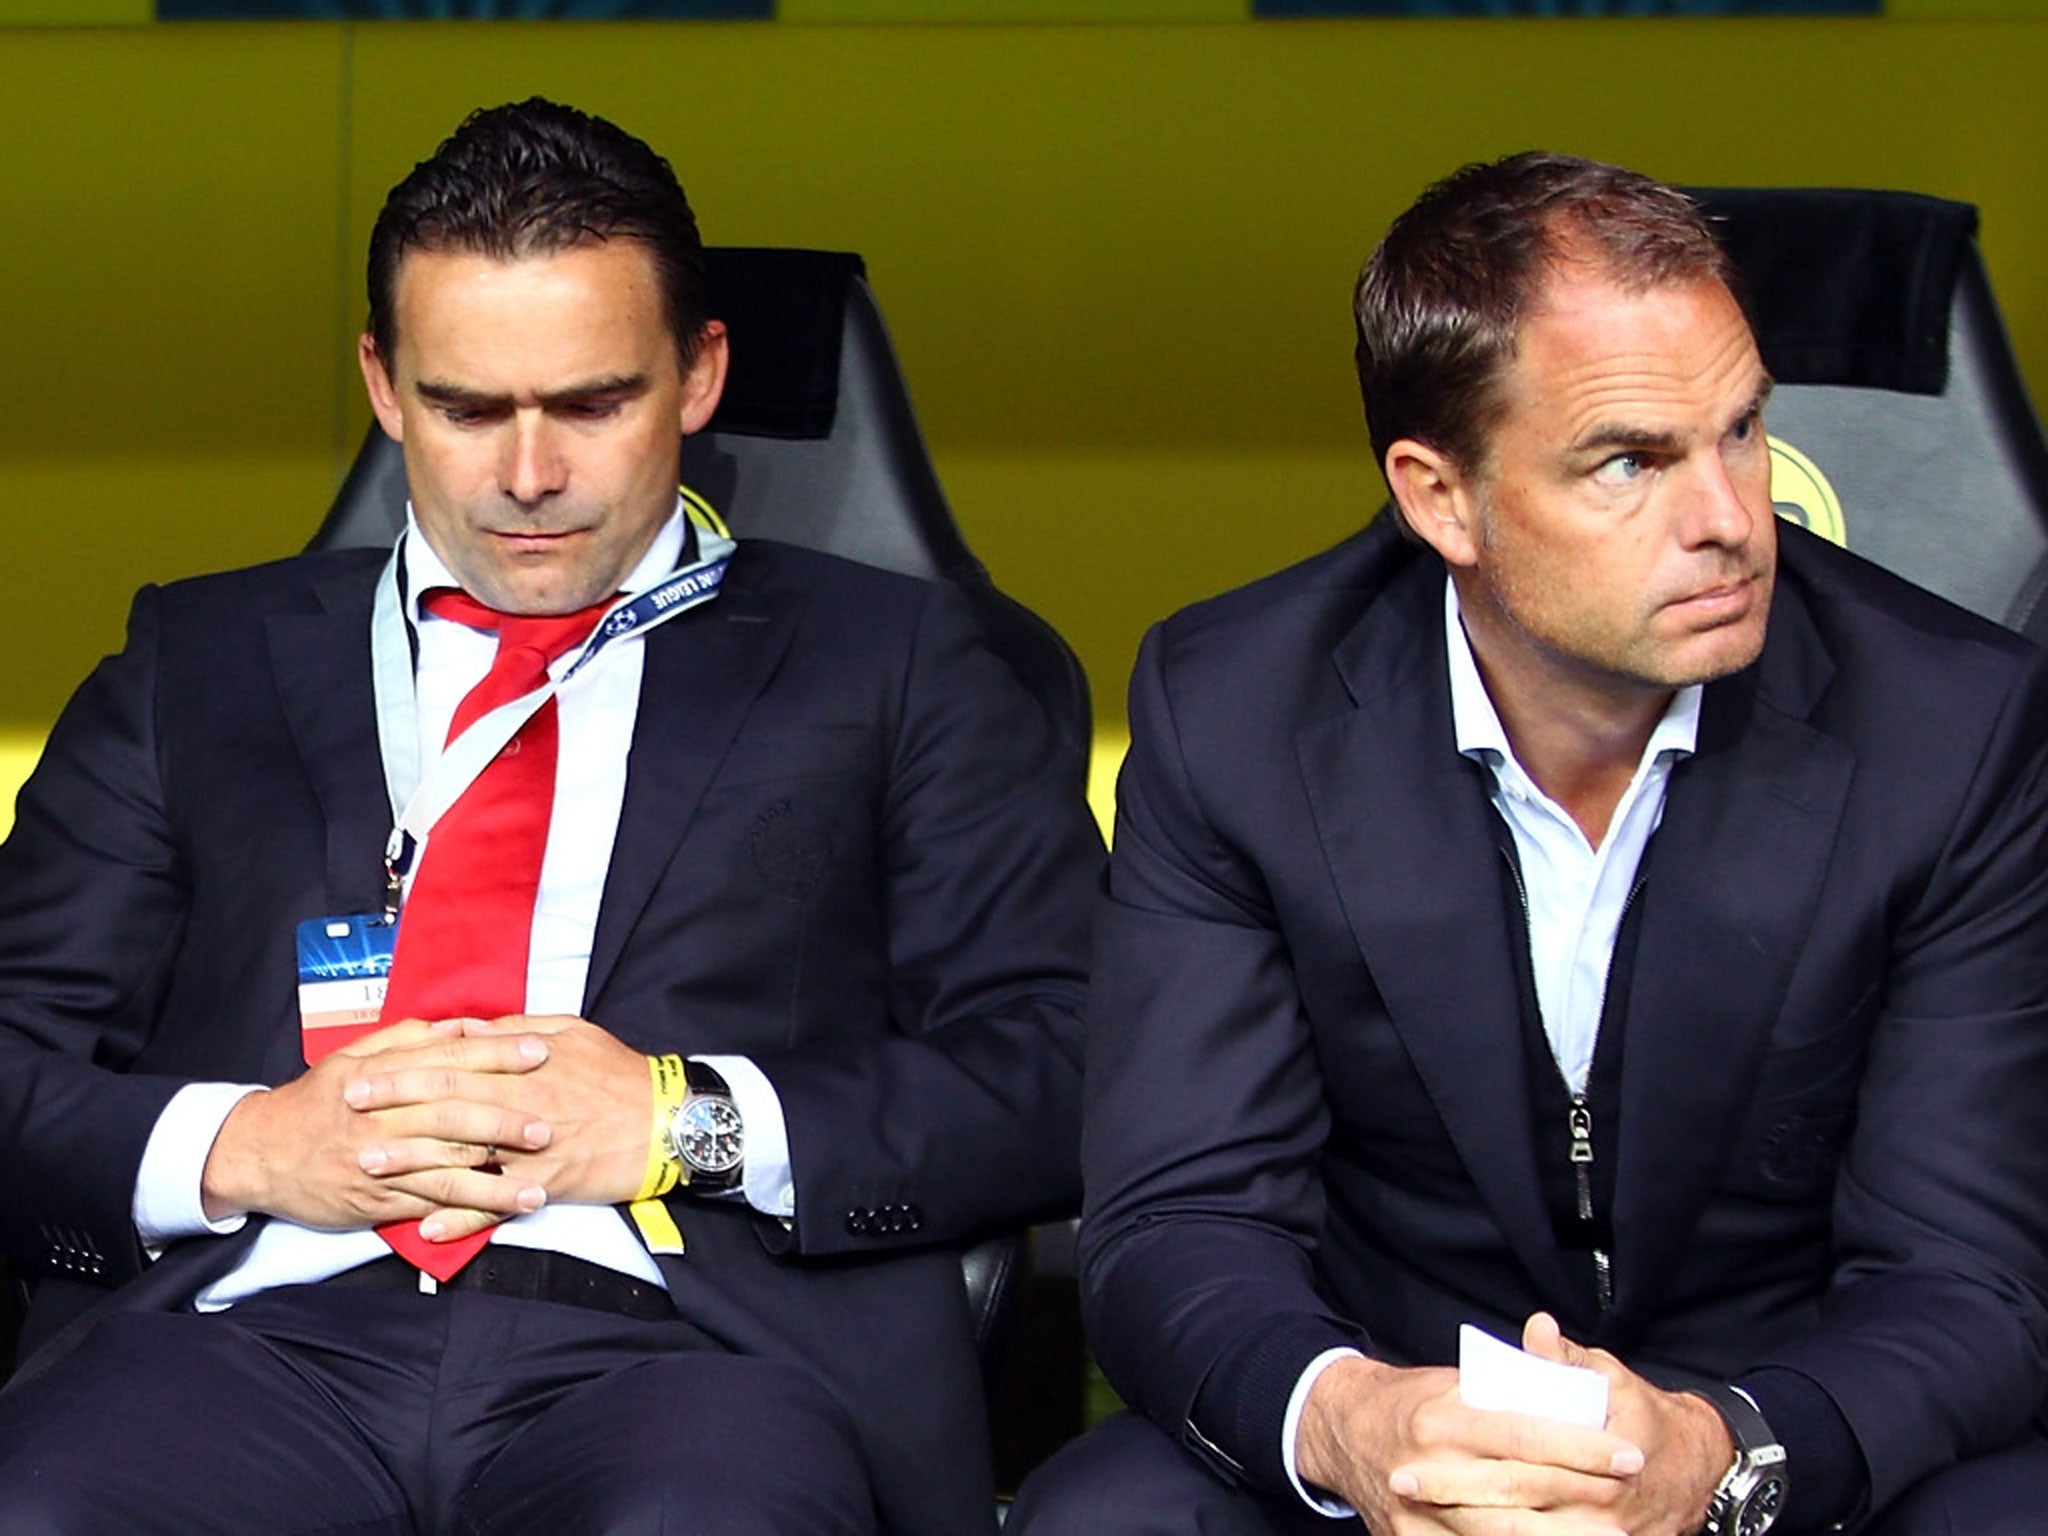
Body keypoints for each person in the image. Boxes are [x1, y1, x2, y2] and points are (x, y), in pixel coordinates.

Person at [0, 98, 1101, 1536]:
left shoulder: (901, 665)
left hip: (695, 1355)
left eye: (592, 404)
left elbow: (1075, 1061)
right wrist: (245, 1147)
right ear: (383, 387)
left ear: (700, 375)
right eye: (465, 410)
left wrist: (680, 1119)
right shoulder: (195, 664)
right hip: (244, 1336)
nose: (528, 477)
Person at [1008, 152, 2048, 1535]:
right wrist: (1355, 1423)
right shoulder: (1233, 710)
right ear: (1440, 498)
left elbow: (1966, 1277)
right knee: (1112, 1515)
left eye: (1741, 432)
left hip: (1780, 1436)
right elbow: (1181, 1222)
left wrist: (1718, 1457)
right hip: (1413, 1420)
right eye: (1632, 461)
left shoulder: (1955, 724)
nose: (1734, 521)